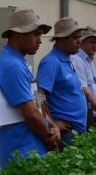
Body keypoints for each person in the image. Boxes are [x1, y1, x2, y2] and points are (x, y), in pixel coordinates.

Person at [0, 8, 60, 170]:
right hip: (22, 154)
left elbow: (37, 95)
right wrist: (49, 138)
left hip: (32, 150)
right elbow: (30, 112)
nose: (40, 40)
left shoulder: (21, 63)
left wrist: (51, 123)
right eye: (35, 34)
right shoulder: (12, 66)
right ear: (17, 34)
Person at [37, 17, 88, 150]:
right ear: (61, 39)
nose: (79, 41)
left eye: (80, 37)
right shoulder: (51, 62)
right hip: (66, 134)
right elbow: (37, 94)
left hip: (76, 131)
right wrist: (49, 122)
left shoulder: (68, 60)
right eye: (75, 38)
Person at [71, 26, 96, 123]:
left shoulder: (89, 60)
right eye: (92, 42)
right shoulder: (74, 60)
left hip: (93, 115)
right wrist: (47, 121)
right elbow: (39, 93)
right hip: (80, 118)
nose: (95, 46)